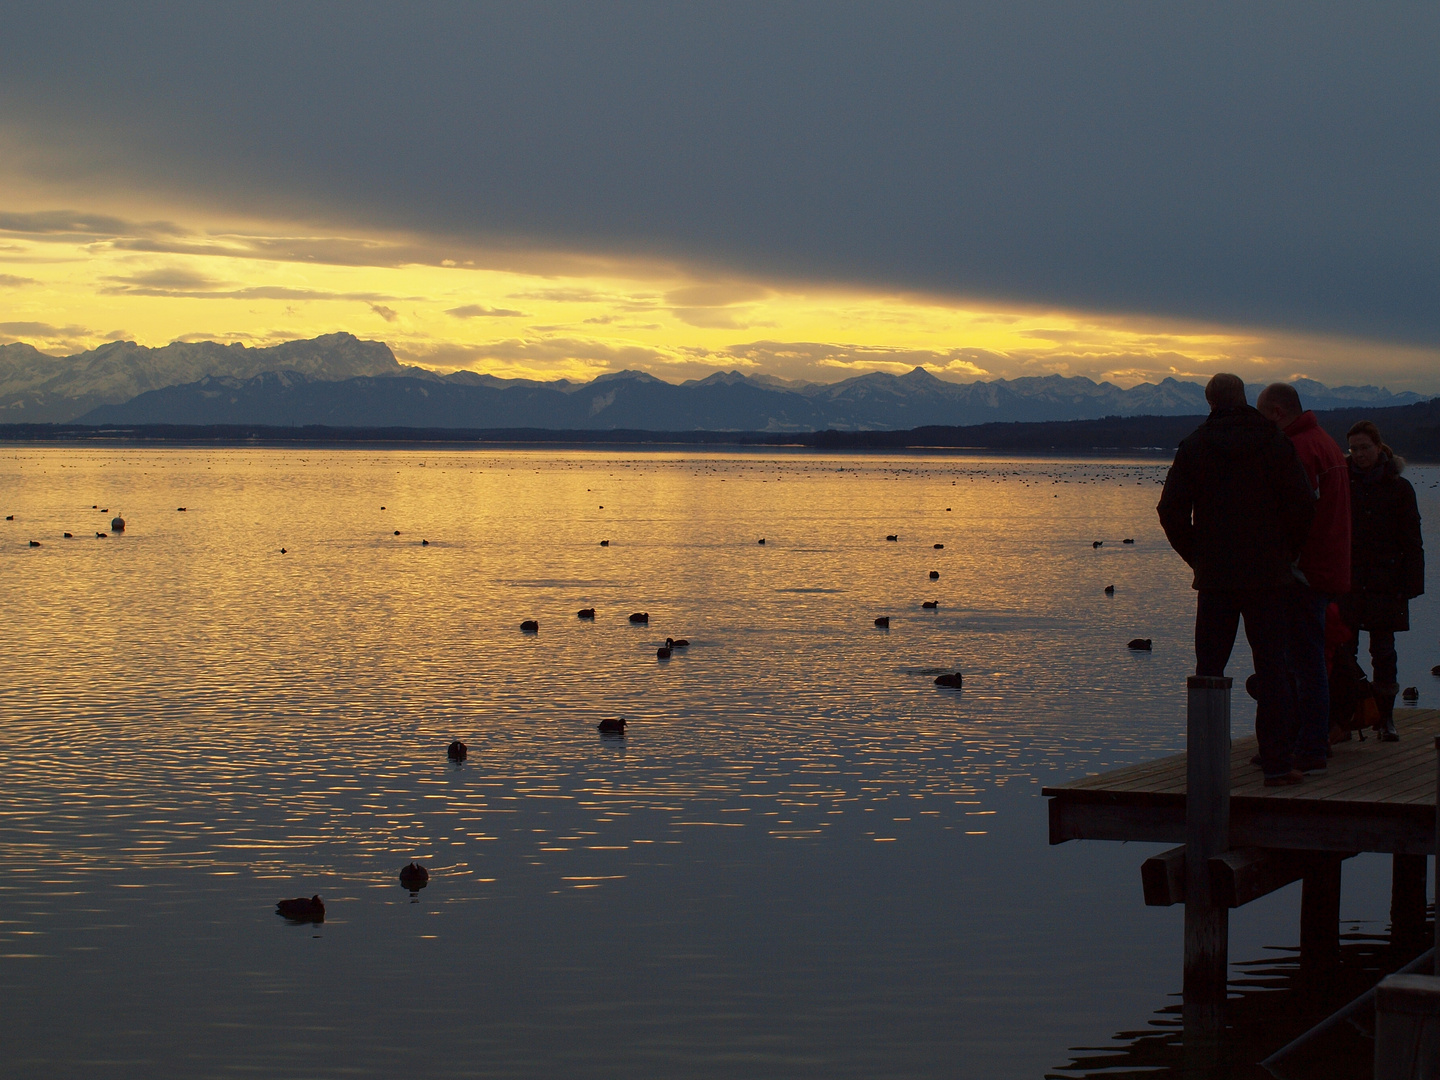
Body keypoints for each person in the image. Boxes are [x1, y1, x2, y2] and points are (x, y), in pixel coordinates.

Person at [1157, 373, 1315, 785]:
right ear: (1244, 398)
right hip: (1268, 576)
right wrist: (1287, 551)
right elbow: (1302, 502)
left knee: (1209, 668)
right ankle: (1277, 764)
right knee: (1273, 669)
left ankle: (1208, 763)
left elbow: (1170, 512)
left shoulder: (1195, 446)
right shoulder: (1273, 441)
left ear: (1210, 402)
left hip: (1217, 580)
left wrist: (1198, 558)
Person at [1256, 382, 1350, 769]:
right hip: (1327, 565)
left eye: (1263, 417)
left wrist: (1282, 558)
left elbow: (1296, 514)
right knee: (1308, 660)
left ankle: (1309, 746)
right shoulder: (1324, 442)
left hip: (1305, 572)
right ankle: (1307, 740)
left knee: (1304, 662)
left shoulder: (1297, 448)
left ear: (1277, 412)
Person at [1338, 420, 1424, 741]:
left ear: (1378, 446)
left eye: (1364, 447)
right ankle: (1348, 715)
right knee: (1344, 651)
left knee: (1384, 652)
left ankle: (1386, 717)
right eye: (1354, 449)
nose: (1359, 454)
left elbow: (1412, 540)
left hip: (1386, 583)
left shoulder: (1399, 488)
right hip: (1347, 581)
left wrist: (1413, 584)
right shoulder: (1341, 484)